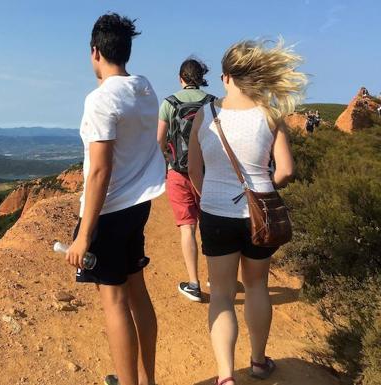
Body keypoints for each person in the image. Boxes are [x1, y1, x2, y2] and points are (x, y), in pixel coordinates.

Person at [188, 39, 305, 385]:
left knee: (222, 294)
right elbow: (284, 170)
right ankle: (257, 362)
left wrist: (211, 197)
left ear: (225, 78)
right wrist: (260, 187)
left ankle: (225, 376)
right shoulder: (270, 115)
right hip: (262, 214)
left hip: (215, 213)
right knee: (257, 286)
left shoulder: (205, 116)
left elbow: (194, 171)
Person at [65, 13, 165, 385]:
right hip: (138, 206)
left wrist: (84, 235)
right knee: (136, 290)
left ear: (95, 52)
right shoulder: (145, 88)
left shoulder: (100, 100)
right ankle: (146, 379)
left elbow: (99, 171)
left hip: (108, 213)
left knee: (115, 302)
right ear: (126, 51)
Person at [157, 58, 215, 302]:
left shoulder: (169, 103)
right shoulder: (213, 102)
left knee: (187, 228)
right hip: (208, 172)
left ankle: (194, 283)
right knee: (209, 226)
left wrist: (167, 162)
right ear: (201, 77)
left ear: (181, 77)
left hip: (178, 172)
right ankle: (217, 276)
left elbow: (159, 140)